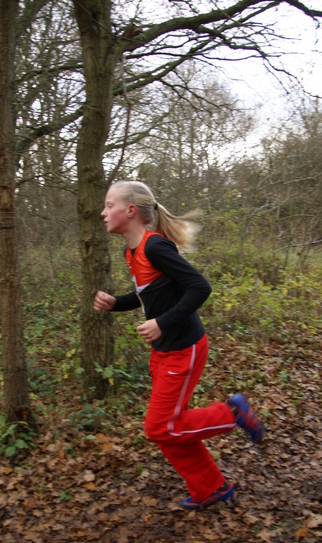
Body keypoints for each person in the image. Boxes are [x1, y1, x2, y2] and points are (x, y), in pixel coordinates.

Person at [94, 180, 263, 510]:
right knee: (170, 429)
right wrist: (117, 302)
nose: (103, 212)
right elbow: (149, 295)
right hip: (165, 350)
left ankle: (231, 413)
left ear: (130, 211)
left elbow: (200, 287)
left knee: (160, 426)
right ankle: (211, 488)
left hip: (184, 348)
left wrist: (161, 323)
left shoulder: (155, 247)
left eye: (109, 204)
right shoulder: (132, 250)